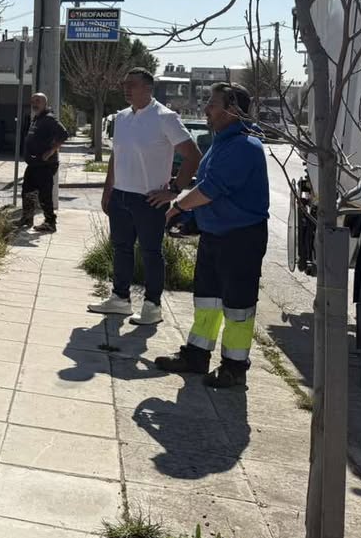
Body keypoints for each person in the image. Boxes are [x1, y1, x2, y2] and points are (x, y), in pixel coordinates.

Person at [156, 82, 270, 388]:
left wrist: (177, 207)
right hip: (216, 235)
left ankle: (234, 367)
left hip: (240, 239)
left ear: (232, 110)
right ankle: (196, 355)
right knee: (207, 300)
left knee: (237, 305)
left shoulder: (245, 146)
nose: (206, 108)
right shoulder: (223, 142)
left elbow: (209, 189)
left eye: (213, 103)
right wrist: (191, 218)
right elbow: (206, 187)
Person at [89, 67, 202, 325]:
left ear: (148, 88)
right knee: (121, 249)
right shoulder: (122, 117)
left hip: (149, 200)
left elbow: (193, 155)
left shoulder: (165, 117)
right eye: (125, 84)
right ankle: (120, 299)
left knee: (151, 252)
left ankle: (152, 306)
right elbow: (116, 155)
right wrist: (108, 190)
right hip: (121, 196)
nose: (127, 89)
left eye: (133, 84)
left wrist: (174, 190)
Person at [16, 92, 70, 233]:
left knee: (44, 194)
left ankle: (50, 223)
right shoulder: (37, 118)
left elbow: (64, 134)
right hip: (34, 164)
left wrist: (51, 151)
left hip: (45, 165)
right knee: (27, 190)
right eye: (33, 101)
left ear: (45, 103)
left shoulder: (49, 119)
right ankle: (27, 218)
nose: (35, 103)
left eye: (38, 101)